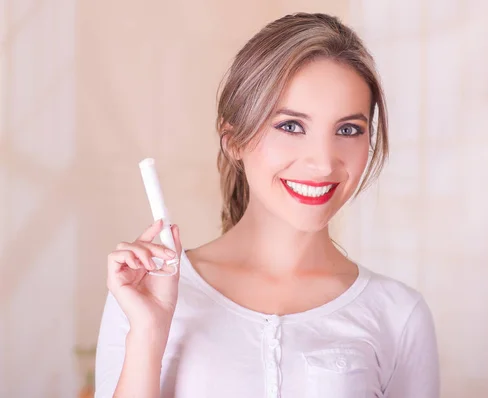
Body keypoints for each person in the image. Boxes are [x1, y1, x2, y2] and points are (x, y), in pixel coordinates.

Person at [94, 12, 439, 398]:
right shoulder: (145, 294)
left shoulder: (398, 315)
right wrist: (149, 333)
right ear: (233, 140)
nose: (324, 163)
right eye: (291, 126)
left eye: (348, 130)